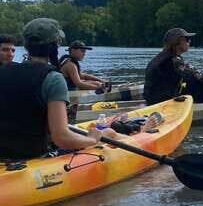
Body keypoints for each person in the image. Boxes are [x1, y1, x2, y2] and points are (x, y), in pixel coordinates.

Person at [0, 18, 120, 161]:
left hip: (4, 154)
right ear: (55, 45)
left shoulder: (4, 70)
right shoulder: (53, 78)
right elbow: (62, 138)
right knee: (108, 132)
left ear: (26, 45)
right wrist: (93, 140)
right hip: (34, 157)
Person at [143, 27, 203, 106]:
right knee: (202, 84)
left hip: (151, 100)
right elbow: (196, 75)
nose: (189, 41)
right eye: (187, 39)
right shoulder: (173, 60)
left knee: (188, 81)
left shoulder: (160, 57)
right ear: (177, 42)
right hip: (163, 102)